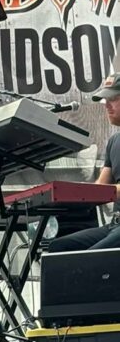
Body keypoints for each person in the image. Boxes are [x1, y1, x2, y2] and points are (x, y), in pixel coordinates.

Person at [46, 72, 120, 252]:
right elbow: (101, 189)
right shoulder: (114, 141)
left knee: (88, 259)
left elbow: (107, 191)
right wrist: (66, 193)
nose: (107, 105)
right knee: (59, 247)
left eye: (113, 99)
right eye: (106, 100)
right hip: (115, 224)